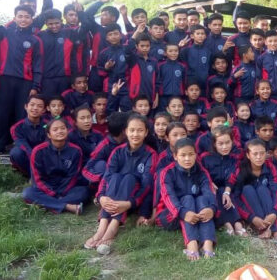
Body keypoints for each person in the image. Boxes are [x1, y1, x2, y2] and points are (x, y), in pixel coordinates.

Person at [86, 115, 156, 255]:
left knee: (130, 178)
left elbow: (147, 186)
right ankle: (102, 226)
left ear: (146, 132)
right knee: (116, 176)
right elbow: (106, 177)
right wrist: (101, 197)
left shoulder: (150, 154)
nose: (135, 134)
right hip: (112, 197)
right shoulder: (117, 151)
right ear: (126, 131)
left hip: (134, 201)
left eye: (140, 130)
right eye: (132, 130)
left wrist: (130, 203)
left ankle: (113, 226)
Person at [154, 138, 217, 261]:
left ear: (196, 155)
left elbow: (209, 191)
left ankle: (207, 245)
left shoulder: (201, 171)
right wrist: (183, 213)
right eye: (183, 155)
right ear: (175, 156)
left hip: (195, 214)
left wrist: (212, 208)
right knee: (187, 198)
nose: (187, 159)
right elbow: (168, 197)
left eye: (191, 154)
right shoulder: (167, 172)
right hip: (170, 215)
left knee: (202, 199)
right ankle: (192, 244)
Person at [0, 4, 44, 155]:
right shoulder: (4, 33)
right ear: (14, 18)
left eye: (27, 17)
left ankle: (18, 148)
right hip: (5, 80)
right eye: (20, 16)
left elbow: (38, 65)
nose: (23, 19)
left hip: (25, 83)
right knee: (1, 114)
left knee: (21, 115)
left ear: (32, 19)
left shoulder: (35, 40)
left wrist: (35, 86)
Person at [224, 139, 277, 242]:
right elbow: (236, 197)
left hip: (267, 204)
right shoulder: (240, 169)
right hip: (249, 209)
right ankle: (262, 228)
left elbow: (275, 191)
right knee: (247, 189)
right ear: (248, 155)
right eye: (255, 154)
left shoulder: (270, 167)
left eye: (262, 153)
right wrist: (252, 218)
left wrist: (274, 213)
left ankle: (275, 231)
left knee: (262, 189)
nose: (259, 157)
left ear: (266, 154)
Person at [23, 119, 89, 214]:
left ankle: (48, 204)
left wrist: (61, 193)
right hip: (46, 188)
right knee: (28, 193)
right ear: (49, 135)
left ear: (67, 131)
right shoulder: (38, 151)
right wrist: (51, 193)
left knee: (83, 191)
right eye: (55, 129)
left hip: (67, 189)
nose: (60, 131)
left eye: (63, 128)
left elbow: (73, 177)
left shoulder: (76, 150)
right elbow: (37, 179)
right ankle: (67, 206)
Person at [198, 126, 246, 236]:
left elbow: (232, 177)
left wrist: (227, 192)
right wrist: (209, 182)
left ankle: (236, 223)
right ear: (214, 144)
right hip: (210, 189)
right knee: (217, 191)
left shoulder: (234, 158)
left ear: (232, 141)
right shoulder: (205, 157)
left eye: (228, 142)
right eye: (220, 144)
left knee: (224, 191)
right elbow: (202, 173)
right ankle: (227, 223)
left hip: (228, 188)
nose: (225, 147)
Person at [39, 9, 83, 97]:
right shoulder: (41, 35)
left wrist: (75, 74)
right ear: (45, 23)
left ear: (61, 21)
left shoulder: (70, 33)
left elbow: (75, 55)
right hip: (47, 78)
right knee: (48, 102)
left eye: (57, 23)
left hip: (65, 77)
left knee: (65, 102)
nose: (54, 26)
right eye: (50, 24)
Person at [82, 111, 128, 187]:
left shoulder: (129, 142)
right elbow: (86, 169)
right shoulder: (104, 145)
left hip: (122, 176)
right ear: (123, 131)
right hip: (106, 178)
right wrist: (101, 178)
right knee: (101, 165)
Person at [9, 95, 47, 177]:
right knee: (16, 153)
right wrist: (35, 157)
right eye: (32, 105)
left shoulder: (49, 125)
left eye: (39, 106)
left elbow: (49, 144)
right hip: (28, 155)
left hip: (44, 155)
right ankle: (33, 175)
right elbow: (23, 146)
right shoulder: (16, 128)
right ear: (26, 106)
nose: (35, 108)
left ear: (44, 110)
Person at [97, 24, 131, 113]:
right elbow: (100, 72)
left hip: (126, 85)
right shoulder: (103, 53)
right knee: (110, 111)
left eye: (116, 33)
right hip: (110, 86)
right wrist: (106, 67)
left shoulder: (127, 50)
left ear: (120, 35)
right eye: (110, 34)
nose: (113, 36)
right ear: (106, 38)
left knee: (127, 110)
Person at [126, 32, 158, 111]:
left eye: (147, 46)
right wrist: (136, 33)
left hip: (150, 95)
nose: (145, 48)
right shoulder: (134, 59)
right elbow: (127, 50)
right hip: (136, 96)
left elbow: (157, 81)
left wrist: (156, 97)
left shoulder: (154, 61)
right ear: (136, 46)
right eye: (142, 46)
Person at [256, 30, 277, 100]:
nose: (273, 43)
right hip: (266, 94)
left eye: (275, 41)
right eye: (270, 41)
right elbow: (258, 77)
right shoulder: (261, 58)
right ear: (265, 42)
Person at [179, 25, 213, 97]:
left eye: (202, 34)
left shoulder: (208, 52)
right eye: (198, 33)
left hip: (204, 85)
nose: (200, 36)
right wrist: (179, 47)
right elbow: (180, 65)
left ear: (205, 36)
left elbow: (210, 68)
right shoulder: (186, 50)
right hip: (190, 85)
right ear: (192, 36)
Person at [156, 44, 186, 111]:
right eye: (170, 51)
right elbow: (157, 81)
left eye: (176, 51)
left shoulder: (182, 66)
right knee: (163, 114)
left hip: (177, 96)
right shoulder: (160, 66)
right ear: (165, 53)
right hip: (163, 97)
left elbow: (184, 81)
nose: (173, 53)